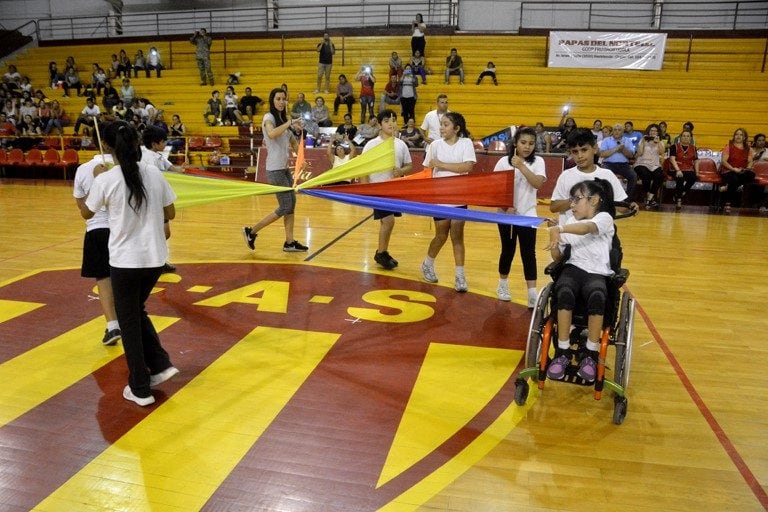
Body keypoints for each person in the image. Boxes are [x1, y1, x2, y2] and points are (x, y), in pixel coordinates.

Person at [78, 120, 179, 406]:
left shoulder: (105, 179)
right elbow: (169, 211)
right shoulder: (153, 173)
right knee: (136, 309)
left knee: (128, 321)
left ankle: (140, 387)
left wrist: (97, 179)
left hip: (125, 261)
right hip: (155, 259)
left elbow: (87, 212)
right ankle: (159, 364)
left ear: (108, 147)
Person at [545, 177, 617, 384]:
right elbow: (558, 259)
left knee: (597, 294)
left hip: (597, 272)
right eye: (571, 200)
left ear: (594, 200)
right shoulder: (568, 222)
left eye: (577, 200)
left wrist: (561, 229)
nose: (572, 205)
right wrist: (554, 240)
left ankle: (591, 355)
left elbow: (586, 229)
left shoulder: (604, 218)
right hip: (573, 268)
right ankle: (563, 350)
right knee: (564, 291)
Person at [242, 87, 309, 253]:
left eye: (284, 99)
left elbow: (292, 140)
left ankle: (290, 242)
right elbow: (271, 134)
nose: (281, 102)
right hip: (274, 169)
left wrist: (301, 158)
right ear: (273, 101)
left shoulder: (282, 118)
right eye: (278, 99)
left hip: (284, 168)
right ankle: (251, 231)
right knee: (285, 206)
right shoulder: (269, 117)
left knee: (291, 204)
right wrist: (290, 123)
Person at [420, 112, 477, 292]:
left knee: (457, 237)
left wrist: (442, 164)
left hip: (459, 197)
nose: (441, 128)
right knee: (441, 235)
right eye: (441, 124)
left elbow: (467, 167)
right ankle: (427, 263)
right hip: (440, 198)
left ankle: (460, 276)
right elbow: (426, 170)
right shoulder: (435, 145)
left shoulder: (466, 143)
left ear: (456, 128)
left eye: (445, 125)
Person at [73, 147, 121, 347]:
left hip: (97, 230)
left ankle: (112, 325)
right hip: (123, 230)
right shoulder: (127, 168)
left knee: (104, 279)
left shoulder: (83, 169)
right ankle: (129, 323)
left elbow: (82, 207)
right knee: (125, 278)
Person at [493, 126, 546, 305]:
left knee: (528, 253)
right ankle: (502, 284)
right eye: (523, 142)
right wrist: (505, 206)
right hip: (505, 215)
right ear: (515, 143)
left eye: (531, 143)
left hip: (528, 215)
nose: (527, 146)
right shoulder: (502, 162)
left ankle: (532, 292)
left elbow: (538, 183)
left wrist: (521, 166)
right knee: (508, 250)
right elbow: (495, 190)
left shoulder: (538, 162)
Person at [360, 109, 413, 270]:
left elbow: (409, 165)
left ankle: (382, 251)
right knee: (388, 221)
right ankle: (381, 252)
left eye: (393, 120)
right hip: (378, 189)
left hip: (394, 190)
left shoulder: (400, 144)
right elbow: (363, 168)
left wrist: (401, 172)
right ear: (380, 124)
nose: (391, 124)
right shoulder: (372, 144)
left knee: (388, 222)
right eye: (386, 121)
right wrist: (365, 190)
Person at [550, 128, 629, 224]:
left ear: (595, 148)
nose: (580, 156)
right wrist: (576, 199)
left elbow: (621, 207)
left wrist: (630, 206)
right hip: (570, 235)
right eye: (575, 152)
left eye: (584, 150)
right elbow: (554, 207)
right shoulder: (566, 175)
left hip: (598, 236)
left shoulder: (607, 175)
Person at [140, 125, 185, 273]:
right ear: (154, 143)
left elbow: (172, 168)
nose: (165, 144)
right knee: (158, 233)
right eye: (163, 142)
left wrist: (184, 170)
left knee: (164, 233)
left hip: (160, 199)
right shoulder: (146, 158)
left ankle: (158, 260)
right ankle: (152, 261)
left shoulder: (158, 156)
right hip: (153, 201)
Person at [719, 127, 755, 213]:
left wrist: (748, 167)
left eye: (741, 135)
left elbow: (750, 161)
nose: (738, 136)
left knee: (751, 175)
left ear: (745, 137)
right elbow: (723, 161)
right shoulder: (729, 146)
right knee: (733, 179)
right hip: (728, 170)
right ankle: (728, 203)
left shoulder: (749, 149)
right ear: (734, 136)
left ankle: (726, 187)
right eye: (737, 134)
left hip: (741, 170)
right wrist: (733, 169)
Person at [600, 123, 637, 199]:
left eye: (619, 130)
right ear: (612, 131)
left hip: (624, 165)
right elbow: (603, 154)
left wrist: (623, 149)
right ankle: (605, 198)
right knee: (603, 175)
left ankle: (627, 199)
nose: (617, 132)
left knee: (633, 176)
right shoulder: (606, 140)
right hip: (608, 164)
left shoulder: (627, 141)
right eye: (615, 130)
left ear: (623, 132)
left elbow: (631, 156)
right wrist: (616, 148)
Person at [633, 123, 666, 209]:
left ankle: (649, 198)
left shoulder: (661, 142)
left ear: (658, 132)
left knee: (660, 176)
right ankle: (650, 199)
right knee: (646, 175)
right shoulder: (643, 140)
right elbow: (639, 153)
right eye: (651, 130)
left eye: (655, 131)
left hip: (654, 164)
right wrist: (643, 142)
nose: (653, 132)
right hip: (642, 163)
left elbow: (661, 152)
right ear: (649, 131)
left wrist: (658, 143)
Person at [667, 129, 699, 210]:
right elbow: (672, 159)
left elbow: (696, 160)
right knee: (680, 178)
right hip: (675, 168)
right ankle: (679, 200)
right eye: (684, 136)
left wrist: (697, 172)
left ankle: (680, 193)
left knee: (694, 177)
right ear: (680, 137)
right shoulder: (674, 146)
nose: (685, 138)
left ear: (691, 138)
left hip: (688, 168)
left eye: (688, 136)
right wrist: (678, 170)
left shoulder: (693, 148)